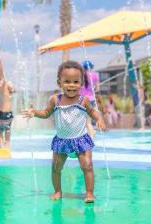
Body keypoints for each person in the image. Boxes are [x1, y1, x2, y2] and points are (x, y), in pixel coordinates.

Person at [22, 60, 106, 203]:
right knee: (56, 168)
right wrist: (34, 112)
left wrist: (100, 119)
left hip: (80, 140)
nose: (71, 85)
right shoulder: (56, 99)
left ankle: (89, 193)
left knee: (87, 166)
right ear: (59, 82)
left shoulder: (83, 100)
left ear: (81, 83)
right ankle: (58, 191)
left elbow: (93, 112)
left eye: (75, 81)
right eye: (67, 81)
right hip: (62, 141)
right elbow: (46, 113)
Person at [79, 60, 100, 139]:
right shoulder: (95, 75)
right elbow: (97, 89)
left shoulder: (81, 76)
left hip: (82, 100)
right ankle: (90, 135)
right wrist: (92, 89)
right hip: (92, 100)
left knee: (84, 122)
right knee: (88, 121)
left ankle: (91, 135)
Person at [0, 78, 15, 148]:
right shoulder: (6, 83)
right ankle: (7, 145)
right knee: (8, 129)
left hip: (0, 113)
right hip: (8, 112)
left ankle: (1, 145)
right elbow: (13, 90)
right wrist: (11, 90)